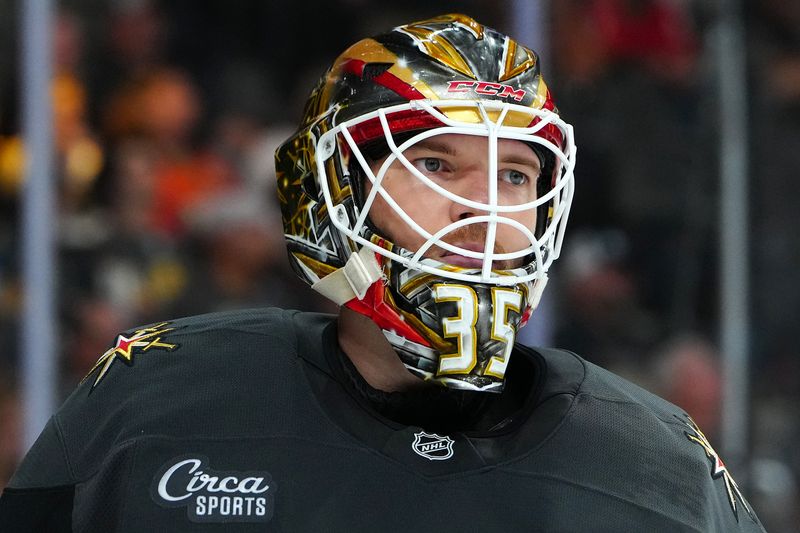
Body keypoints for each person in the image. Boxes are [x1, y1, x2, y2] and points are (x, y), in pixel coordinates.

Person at [0, 14, 766, 532]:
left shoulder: (659, 466)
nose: (485, 212)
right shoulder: (153, 397)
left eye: (516, 177)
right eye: (433, 163)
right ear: (334, 192)